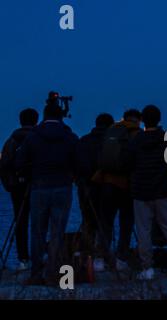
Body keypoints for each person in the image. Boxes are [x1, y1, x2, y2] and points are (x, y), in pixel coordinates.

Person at [16, 103, 78, 285]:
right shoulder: (69, 136)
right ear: (61, 117)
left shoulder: (33, 136)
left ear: (44, 116)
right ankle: (54, 273)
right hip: (63, 187)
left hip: (39, 187)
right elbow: (79, 160)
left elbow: (20, 162)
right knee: (57, 232)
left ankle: (36, 273)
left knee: (37, 232)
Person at [128, 105, 167, 280]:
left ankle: (147, 267)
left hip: (140, 191)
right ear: (159, 119)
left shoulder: (136, 140)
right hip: (162, 190)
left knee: (143, 231)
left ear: (143, 120)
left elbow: (127, 162)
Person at [92, 109, 141, 272]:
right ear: (138, 120)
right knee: (126, 223)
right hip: (127, 185)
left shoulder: (112, 131)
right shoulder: (136, 133)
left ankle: (100, 258)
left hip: (107, 183)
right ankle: (121, 257)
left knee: (105, 222)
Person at [0, 108, 39, 270]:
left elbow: (4, 165)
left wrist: (8, 185)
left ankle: (23, 259)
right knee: (40, 223)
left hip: (17, 187)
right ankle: (40, 257)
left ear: (20, 120)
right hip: (39, 186)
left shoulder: (12, 140)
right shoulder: (39, 138)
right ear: (36, 120)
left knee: (20, 222)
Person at [76, 113, 114, 255]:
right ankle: (103, 255)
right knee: (106, 222)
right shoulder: (111, 142)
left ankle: (88, 254)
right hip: (108, 187)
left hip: (86, 188)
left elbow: (77, 165)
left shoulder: (83, 141)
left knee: (88, 221)